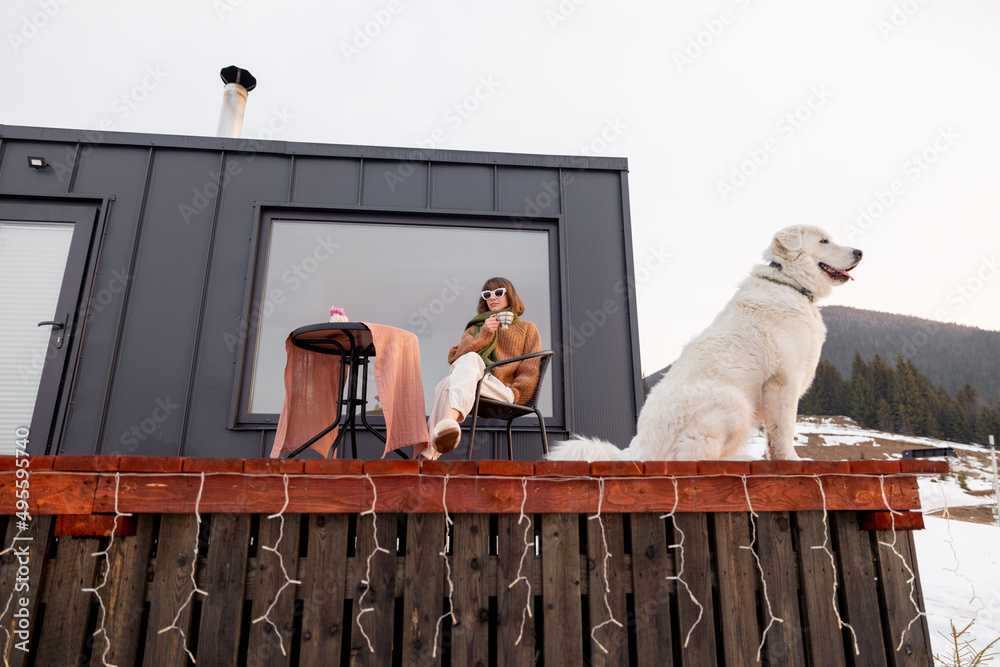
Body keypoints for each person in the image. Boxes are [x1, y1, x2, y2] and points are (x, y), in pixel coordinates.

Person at [425, 277, 542, 457]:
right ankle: (448, 425)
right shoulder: (475, 328)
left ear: (509, 296)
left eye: (498, 292)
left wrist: (516, 393)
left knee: (448, 383)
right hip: (477, 385)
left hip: (505, 391)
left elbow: (530, 370)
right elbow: (455, 357)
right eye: (487, 294)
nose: (492, 297)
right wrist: (485, 334)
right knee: (448, 381)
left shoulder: (527, 328)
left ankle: (427, 456)